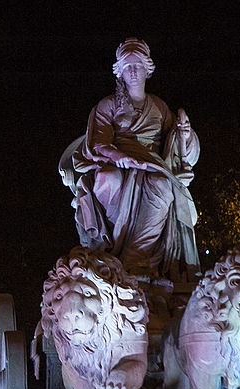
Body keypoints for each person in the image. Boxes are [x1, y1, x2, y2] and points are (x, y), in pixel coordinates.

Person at [58, 38, 200, 283]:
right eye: (127, 66)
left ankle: (136, 260)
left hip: (152, 165)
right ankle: (109, 253)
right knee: (108, 179)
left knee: (162, 186)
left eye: (137, 65)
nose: (132, 71)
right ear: (119, 72)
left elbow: (177, 150)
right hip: (115, 163)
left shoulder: (159, 107)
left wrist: (185, 135)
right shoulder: (107, 105)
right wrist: (121, 157)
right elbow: (98, 143)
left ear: (148, 69)